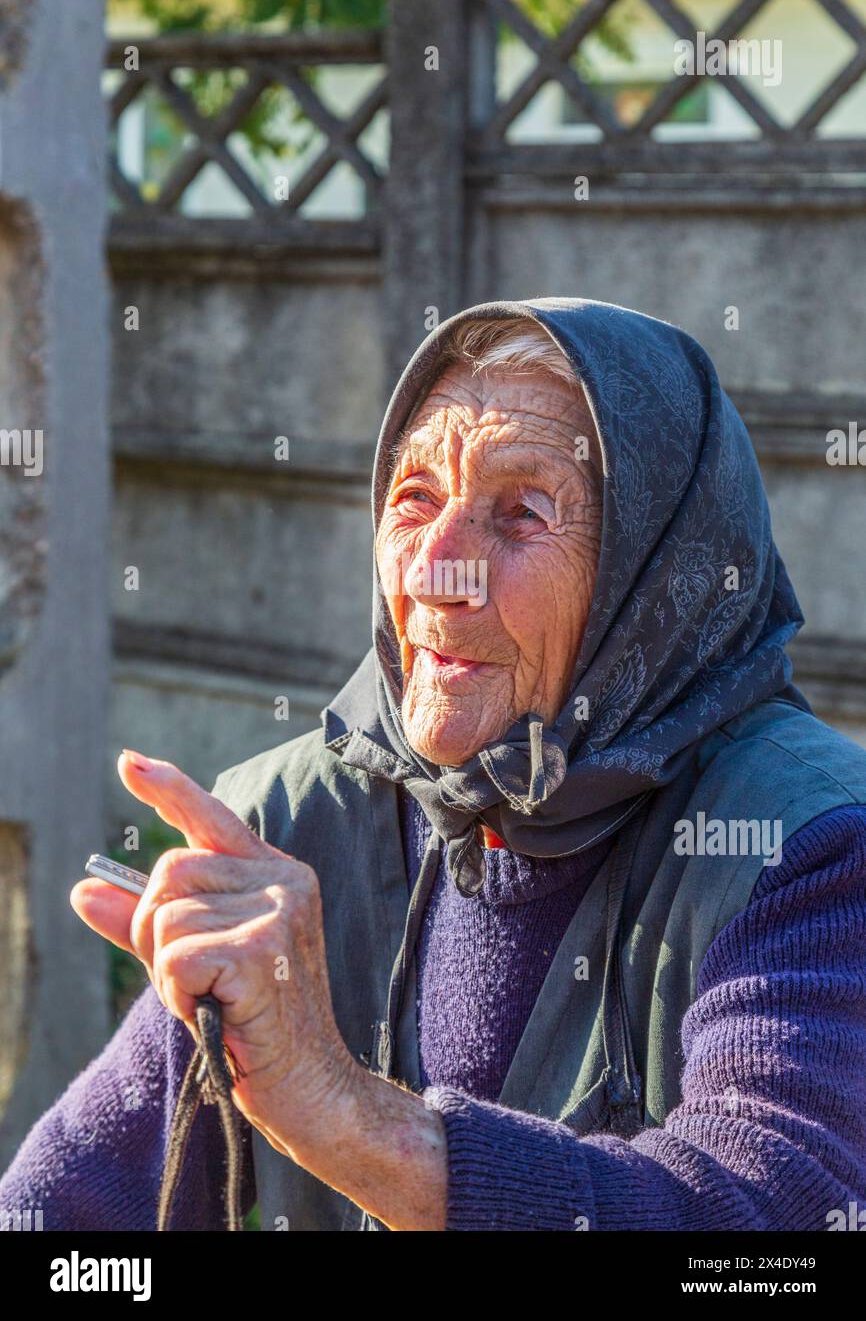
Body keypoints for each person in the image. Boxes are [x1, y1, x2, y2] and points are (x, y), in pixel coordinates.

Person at [2, 298, 866, 1232]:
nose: (435, 570)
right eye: (413, 500)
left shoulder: (809, 851)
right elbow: (63, 1218)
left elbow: (771, 1232)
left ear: (655, 568)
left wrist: (341, 1112)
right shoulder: (286, 828)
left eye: (523, 515)